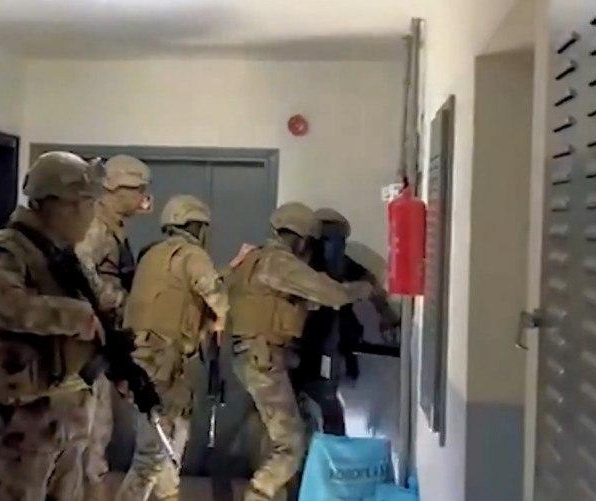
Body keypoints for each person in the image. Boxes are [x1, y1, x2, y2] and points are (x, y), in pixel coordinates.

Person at [0, 151, 109, 501]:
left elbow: (100, 303)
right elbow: (9, 306)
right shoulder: (4, 252)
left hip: (67, 416)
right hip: (21, 421)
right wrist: (77, 317)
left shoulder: (65, 255)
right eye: (85, 203)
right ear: (55, 205)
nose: (91, 214)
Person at [225, 202, 373, 501]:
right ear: (304, 240)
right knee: (291, 443)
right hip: (264, 358)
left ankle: (272, 491)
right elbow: (332, 294)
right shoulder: (280, 262)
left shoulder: (251, 259)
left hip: (255, 355)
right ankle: (259, 494)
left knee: (280, 435)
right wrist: (365, 289)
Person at [116, 194, 230, 501]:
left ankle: (169, 496)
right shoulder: (192, 254)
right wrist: (219, 317)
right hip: (163, 360)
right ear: (196, 226)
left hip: (146, 358)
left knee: (170, 443)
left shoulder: (151, 253)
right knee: (153, 453)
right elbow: (217, 296)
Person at [75, 154, 152, 497]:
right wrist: (117, 299)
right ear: (114, 189)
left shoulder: (112, 227)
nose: (142, 198)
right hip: (87, 337)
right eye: (137, 190)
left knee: (100, 424)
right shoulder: (96, 226)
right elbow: (80, 272)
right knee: (94, 426)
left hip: (103, 336)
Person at [293, 207, 391, 436]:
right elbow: (371, 288)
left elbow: (370, 287)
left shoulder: (306, 263)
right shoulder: (307, 265)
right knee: (322, 398)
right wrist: (387, 316)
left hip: (319, 339)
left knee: (319, 398)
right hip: (318, 341)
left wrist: (387, 316)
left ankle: (325, 447)